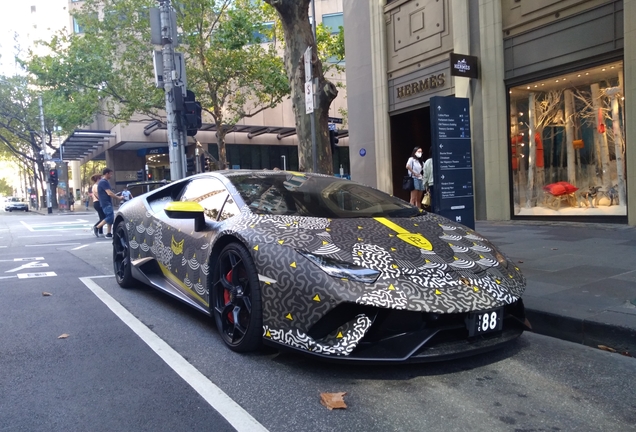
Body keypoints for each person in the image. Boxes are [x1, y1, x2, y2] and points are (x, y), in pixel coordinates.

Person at [94, 168, 124, 238]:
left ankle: (109, 233)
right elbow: (109, 193)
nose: (111, 175)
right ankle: (97, 227)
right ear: (106, 174)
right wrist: (118, 198)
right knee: (110, 216)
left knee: (110, 217)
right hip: (106, 203)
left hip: (105, 202)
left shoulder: (104, 182)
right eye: (110, 174)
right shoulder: (103, 182)